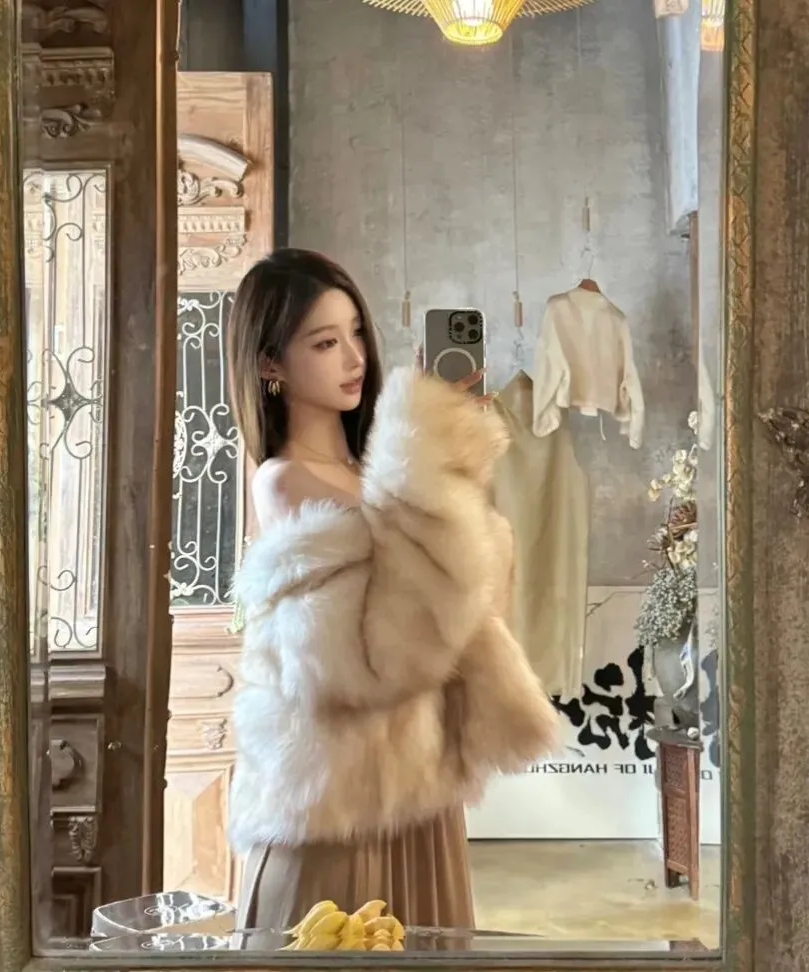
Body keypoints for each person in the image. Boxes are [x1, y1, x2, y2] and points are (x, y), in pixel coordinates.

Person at [224, 248, 558, 937]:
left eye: (356, 333)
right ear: (270, 364)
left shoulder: (378, 476)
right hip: (342, 799)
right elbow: (401, 638)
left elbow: (475, 595)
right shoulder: (284, 481)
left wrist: (445, 457)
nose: (354, 358)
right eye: (324, 343)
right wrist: (429, 454)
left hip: (421, 785)